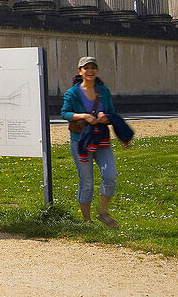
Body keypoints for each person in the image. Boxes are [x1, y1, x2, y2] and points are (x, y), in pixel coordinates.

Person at [60, 56, 120, 228]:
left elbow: (111, 113)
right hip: (81, 141)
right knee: (86, 181)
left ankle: (103, 212)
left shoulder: (104, 91)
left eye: (93, 67)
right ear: (80, 72)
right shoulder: (72, 93)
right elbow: (65, 113)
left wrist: (104, 117)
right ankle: (87, 221)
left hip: (101, 139)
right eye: (86, 68)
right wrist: (83, 116)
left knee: (110, 176)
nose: (90, 71)